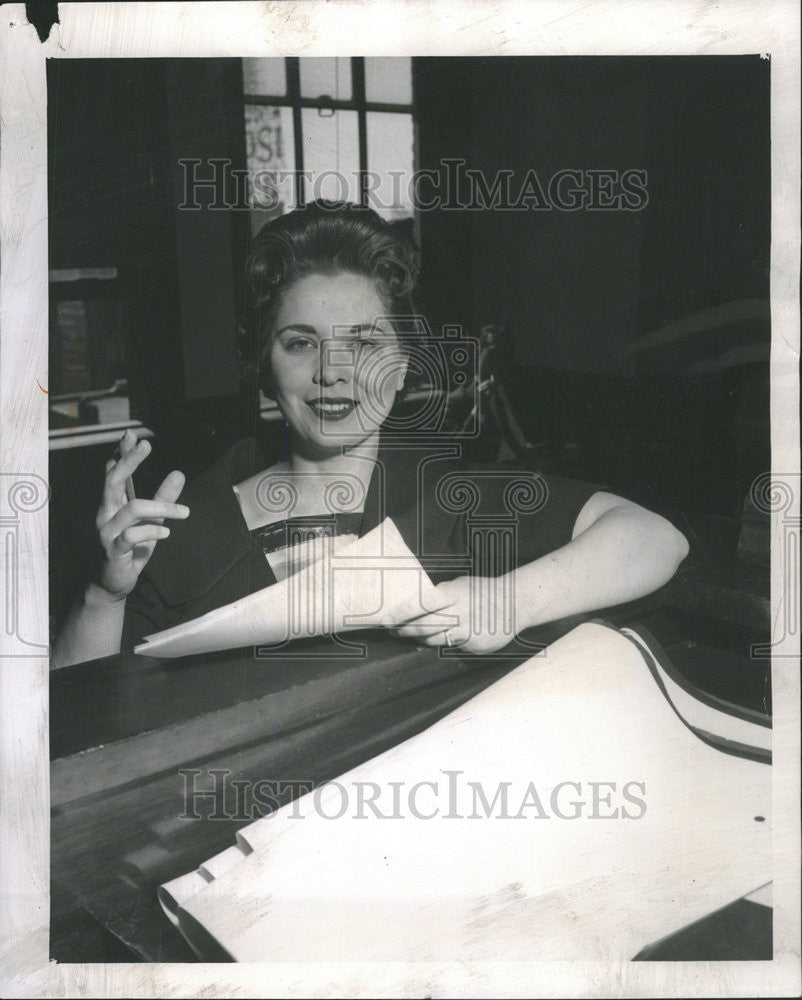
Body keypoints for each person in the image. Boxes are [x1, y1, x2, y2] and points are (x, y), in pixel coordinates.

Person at [52, 201, 689, 668]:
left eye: (365, 343)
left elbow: (655, 538)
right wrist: (105, 593)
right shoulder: (181, 527)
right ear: (263, 369)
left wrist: (510, 600)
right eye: (300, 343)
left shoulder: (457, 497)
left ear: (404, 363)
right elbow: (79, 724)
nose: (332, 372)